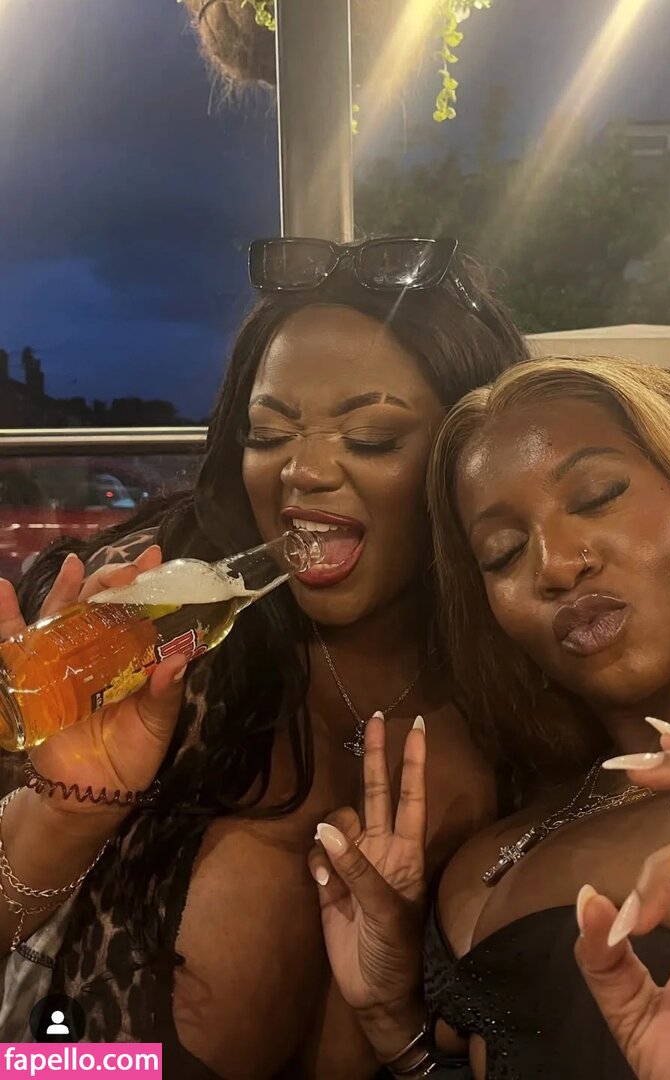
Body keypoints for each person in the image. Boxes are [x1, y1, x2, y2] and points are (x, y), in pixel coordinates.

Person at [0, 238, 529, 1079]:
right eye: (268, 433)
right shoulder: (150, 637)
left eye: (372, 436)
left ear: (471, 456)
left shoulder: (525, 699)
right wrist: (60, 819)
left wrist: (403, 1033)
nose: (302, 471)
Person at [309, 355, 670, 1078]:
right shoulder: (510, 826)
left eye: (599, 496)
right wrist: (396, 1027)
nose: (554, 564)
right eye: (503, 552)